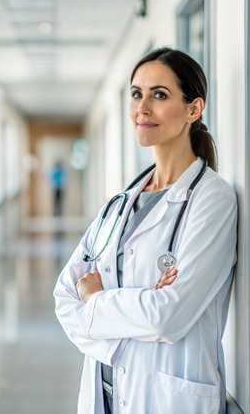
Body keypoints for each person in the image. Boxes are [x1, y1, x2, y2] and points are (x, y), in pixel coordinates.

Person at [53, 47, 237, 414]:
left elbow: (168, 316)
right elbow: (64, 297)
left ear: (193, 109)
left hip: (166, 399)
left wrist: (96, 300)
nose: (143, 108)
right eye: (137, 94)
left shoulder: (212, 200)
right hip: (102, 393)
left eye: (159, 95)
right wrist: (135, 306)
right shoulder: (119, 204)